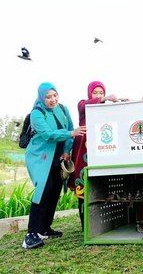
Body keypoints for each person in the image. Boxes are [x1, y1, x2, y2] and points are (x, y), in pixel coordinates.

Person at [22, 82, 86, 249]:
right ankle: (30, 235)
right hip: (40, 158)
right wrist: (70, 133)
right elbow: (48, 134)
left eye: (54, 95)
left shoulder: (63, 110)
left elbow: (71, 129)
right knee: (43, 189)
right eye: (48, 97)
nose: (52, 100)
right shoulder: (37, 113)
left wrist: (66, 150)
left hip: (59, 158)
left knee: (55, 189)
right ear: (42, 98)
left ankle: (44, 228)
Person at [68, 81, 118, 230]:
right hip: (82, 149)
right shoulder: (83, 104)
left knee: (100, 183)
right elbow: (85, 105)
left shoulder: (106, 108)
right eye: (95, 92)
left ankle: (101, 225)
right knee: (82, 182)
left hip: (101, 147)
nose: (98, 95)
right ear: (90, 93)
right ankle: (85, 227)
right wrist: (104, 99)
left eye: (101, 93)